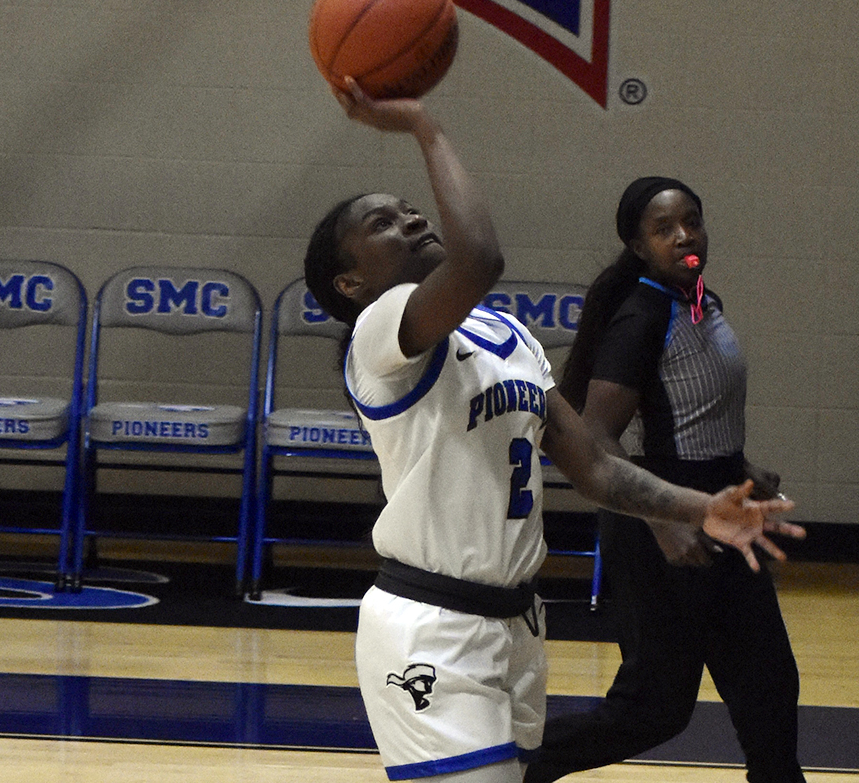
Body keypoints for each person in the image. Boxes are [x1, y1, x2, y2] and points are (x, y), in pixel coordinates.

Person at [302, 83, 800, 783]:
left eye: (410, 208)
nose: (411, 219)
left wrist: (702, 510)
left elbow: (595, 466)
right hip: (430, 626)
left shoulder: (504, 335)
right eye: (383, 223)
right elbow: (479, 260)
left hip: (517, 625)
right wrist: (425, 129)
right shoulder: (376, 331)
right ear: (349, 283)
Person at [526, 178, 805, 783]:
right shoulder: (641, 318)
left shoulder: (704, 301)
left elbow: (689, 414)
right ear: (638, 246)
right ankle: (518, 764)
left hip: (725, 514)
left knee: (771, 695)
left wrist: (742, 467)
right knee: (654, 710)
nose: (685, 235)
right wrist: (661, 521)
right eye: (665, 229)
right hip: (663, 531)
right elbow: (595, 440)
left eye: (693, 221)